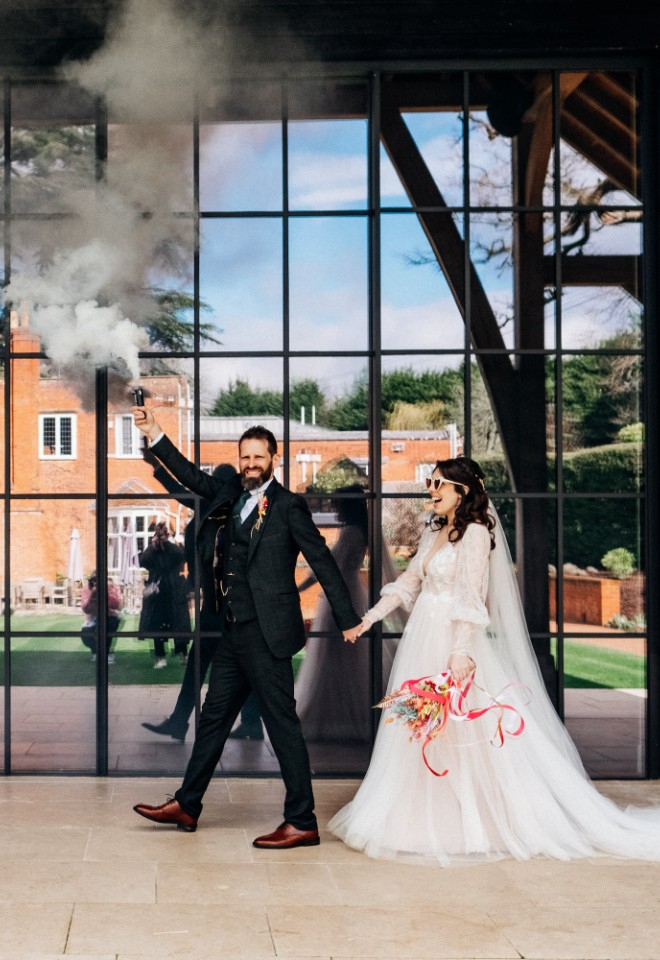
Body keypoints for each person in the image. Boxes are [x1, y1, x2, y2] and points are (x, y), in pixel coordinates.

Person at [329, 455, 660, 864]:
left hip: (452, 644)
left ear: (461, 492)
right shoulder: (437, 529)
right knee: (420, 731)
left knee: (460, 735)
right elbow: (409, 582)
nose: (430, 492)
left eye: (438, 485)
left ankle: (475, 819)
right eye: (430, 483)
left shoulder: (473, 536)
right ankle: (415, 813)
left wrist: (461, 653)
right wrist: (367, 620)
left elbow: (470, 598)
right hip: (423, 639)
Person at [131, 409, 362, 848]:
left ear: (274, 459)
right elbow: (188, 474)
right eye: (245, 457)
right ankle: (188, 804)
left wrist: (348, 618)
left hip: (269, 633)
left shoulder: (289, 506)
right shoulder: (228, 492)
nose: (251, 463)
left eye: (259, 456)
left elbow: (323, 561)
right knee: (214, 717)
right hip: (235, 634)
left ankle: (302, 820)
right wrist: (155, 433)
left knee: (281, 725)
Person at [141, 447, 261, 742]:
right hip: (232, 600)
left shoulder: (215, 508)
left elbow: (177, 489)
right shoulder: (234, 509)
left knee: (202, 663)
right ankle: (250, 723)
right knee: (240, 663)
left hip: (221, 603)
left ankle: (181, 722)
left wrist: (157, 465)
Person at [294, 484, 398, 743]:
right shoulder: (356, 530)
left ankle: (337, 718)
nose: (334, 508)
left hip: (343, 595)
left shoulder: (352, 532)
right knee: (340, 656)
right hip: (347, 590)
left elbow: (328, 566)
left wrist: (298, 588)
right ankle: (338, 717)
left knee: (337, 656)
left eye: (337, 503)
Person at [138, 521, 191, 668]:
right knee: (163, 625)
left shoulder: (172, 549)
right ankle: (175, 655)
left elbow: (182, 557)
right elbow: (143, 561)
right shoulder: (161, 549)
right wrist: (155, 546)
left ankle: (174, 656)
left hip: (171, 591)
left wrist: (161, 545)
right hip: (163, 592)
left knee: (175, 624)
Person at [81, 573, 124, 663]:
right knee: (86, 636)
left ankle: (108, 653)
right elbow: (86, 609)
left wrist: (106, 592)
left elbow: (117, 605)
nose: (97, 583)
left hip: (110, 615)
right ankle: (97, 652)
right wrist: (93, 594)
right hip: (92, 616)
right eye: (94, 581)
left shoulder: (112, 587)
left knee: (108, 629)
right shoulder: (86, 589)